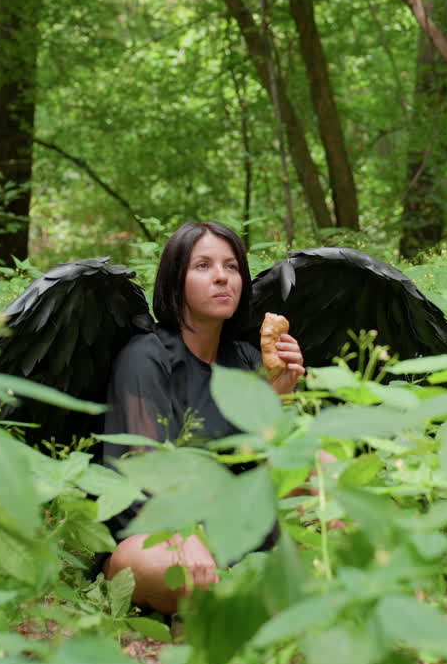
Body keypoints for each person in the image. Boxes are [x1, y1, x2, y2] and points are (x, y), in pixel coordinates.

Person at [99, 221, 304, 614]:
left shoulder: (245, 358)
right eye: (203, 266)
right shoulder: (147, 356)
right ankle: (245, 598)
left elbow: (261, 470)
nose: (222, 278)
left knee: (318, 472)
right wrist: (184, 532)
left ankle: (258, 588)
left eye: (231, 267)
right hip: (156, 533)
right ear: (176, 281)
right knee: (149, 564)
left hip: (235, 526)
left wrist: (281, 398)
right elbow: (145, 474)